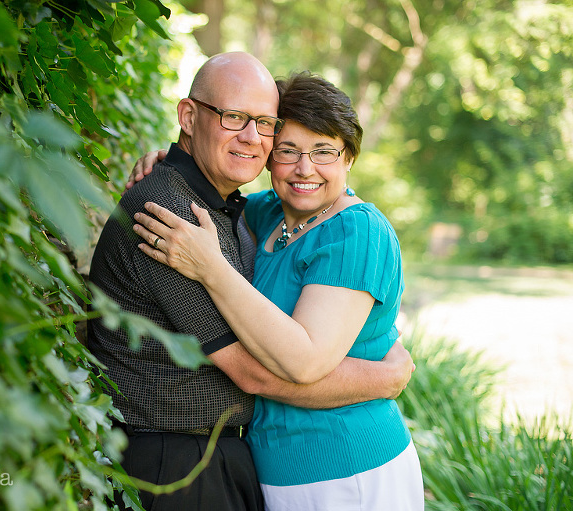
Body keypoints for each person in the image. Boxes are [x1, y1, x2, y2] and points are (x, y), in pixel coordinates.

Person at [87, 53, 415, 511]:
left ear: (350, 157)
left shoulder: (263, 218)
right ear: (189, 116)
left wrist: (390, 372)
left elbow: (299, 358)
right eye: (287, 149)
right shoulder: (192, 217)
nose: (304, 168)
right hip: (177, 459)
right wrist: (383, 376)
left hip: (337, 465)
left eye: (263, 124)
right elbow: (253, 371)